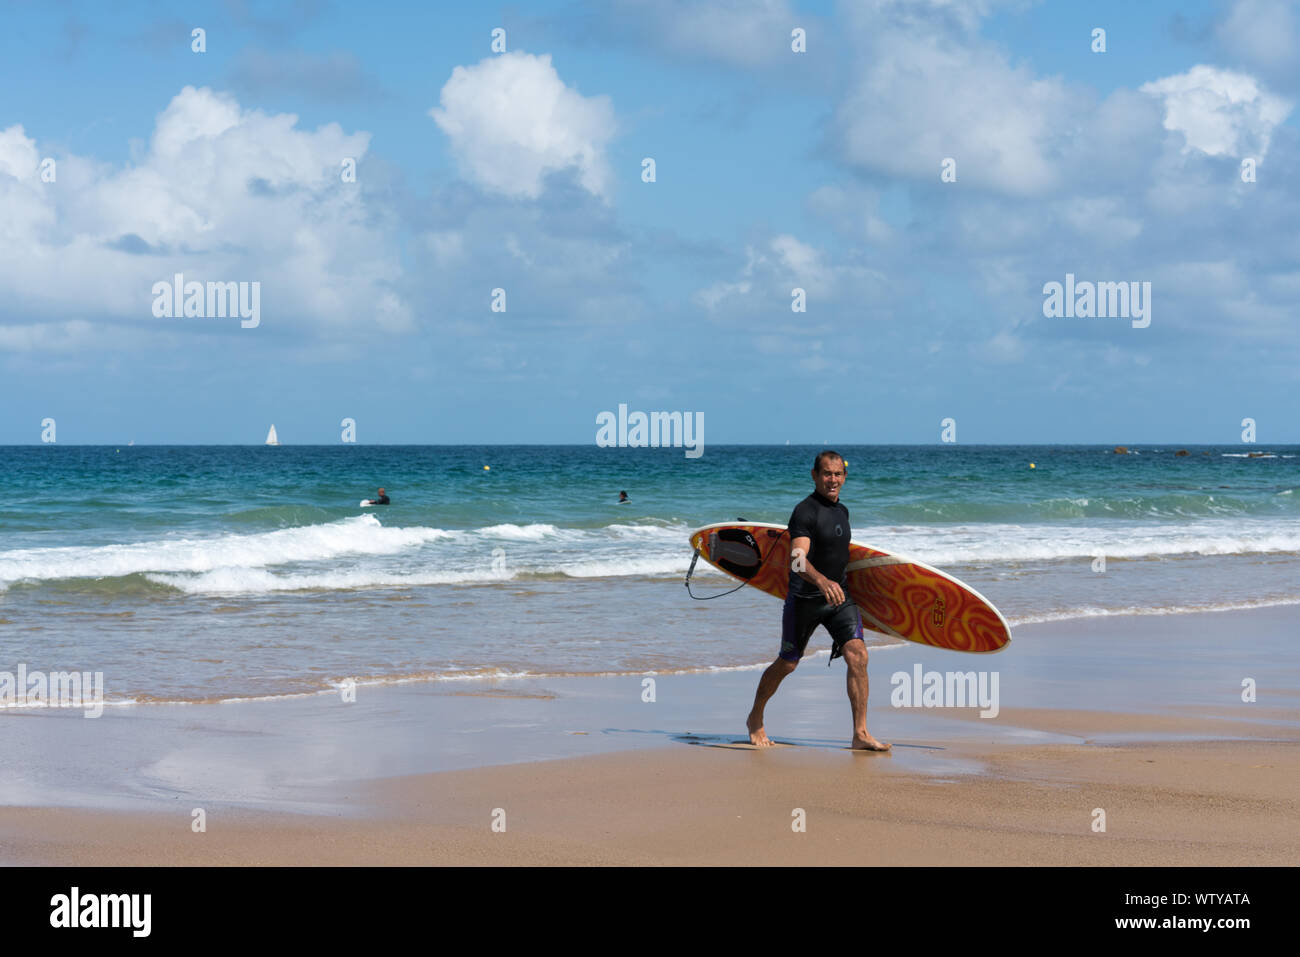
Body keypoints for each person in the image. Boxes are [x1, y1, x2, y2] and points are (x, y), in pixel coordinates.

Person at [746, 451, 890, 751]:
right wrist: (822, 581)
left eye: (838, 474)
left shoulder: (843, 512)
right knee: (787, 664)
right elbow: (797, 561)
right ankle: (755, 717)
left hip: (839, 598)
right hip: (805, 599)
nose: (833, 480)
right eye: (827, 473)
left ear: (845, 477)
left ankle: (860, 733)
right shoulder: (805, 512)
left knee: (858, 655)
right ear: (814, 475)